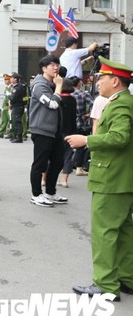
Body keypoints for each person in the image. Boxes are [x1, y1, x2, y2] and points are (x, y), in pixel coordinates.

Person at [67, 57, 133, 302]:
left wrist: (86, 141)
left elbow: (119, 137)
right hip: (122, 178)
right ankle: (127, 278)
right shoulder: (124, 101)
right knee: (124, 230)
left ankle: (105, 285)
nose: (97, 82)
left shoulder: (119, 105)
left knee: (104, 232)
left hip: (112, 178)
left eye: (102, 78)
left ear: (115, 81)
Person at [28, 56, 69, 207]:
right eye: (52, 65)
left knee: (58, 161)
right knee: (40, 164)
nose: (55, 67)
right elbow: (52, 104)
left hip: (54, 130)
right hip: (42, 129)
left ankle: (50, 192)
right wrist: (59, 86)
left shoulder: (52, 83)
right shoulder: (39, 85)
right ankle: (36, 194)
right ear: (44, 68)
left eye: (57, 64)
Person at [70, 76, 93, 175]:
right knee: (81, 145)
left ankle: (66, 165)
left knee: (67, 145)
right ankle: (79, 167)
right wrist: (89, 114)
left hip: (69, 122)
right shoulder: (84, 94)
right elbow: (93, 104)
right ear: (79, 84)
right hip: (81, 122)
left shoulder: (67, 94)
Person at [58, 79, 77, 188]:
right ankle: (64, 180)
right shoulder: (72, 99)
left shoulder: (58, 99)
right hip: (71, 130)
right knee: (68, 156)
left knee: (52, 155)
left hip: (59, 131)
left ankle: (44, 179)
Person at [9, 73, 26, 143]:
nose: (10, 79)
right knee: (14, 121)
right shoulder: (17, 87)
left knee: (17, 122)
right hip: (17, 106)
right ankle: (15, 136)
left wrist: (9, 96)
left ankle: (19, 137)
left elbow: (13, 98)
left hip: (17, 106)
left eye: (12, 78)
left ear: (15, 79)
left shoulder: (18, 88)